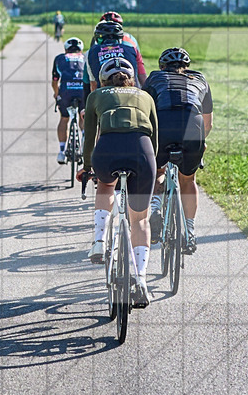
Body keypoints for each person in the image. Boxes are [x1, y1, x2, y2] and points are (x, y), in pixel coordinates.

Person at [76, 57, 158, 308]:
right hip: (142, 152)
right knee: (140, 219)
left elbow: (90, 136)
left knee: (106, 185)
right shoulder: (145, 96)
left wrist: (88, 167)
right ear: (132, 79)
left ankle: (99, 242)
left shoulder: (96, 96)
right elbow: (155, 137)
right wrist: (155, 169)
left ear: (102, 80)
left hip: (108, 150)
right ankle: (141, 280)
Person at [142, 47, 213, 254]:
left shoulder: (155, 78)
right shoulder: (200, 79)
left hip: (163, 124)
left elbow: (146, 113)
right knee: (188, 179)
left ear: (162, 66)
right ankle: (190, 233)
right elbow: (208, 124)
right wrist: (199, 144)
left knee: (157, 171)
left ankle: (155, 207)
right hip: (193, 126)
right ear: (187, 66)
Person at [84, 20, 146, 92]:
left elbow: (93, 84)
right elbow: (142, 77)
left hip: (105, 95)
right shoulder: (133, 49)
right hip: (132, 93)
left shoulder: (90, 52)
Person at [51, 37, 86, 163]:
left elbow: (55, 81)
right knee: (83, 117)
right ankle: (84, 142)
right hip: (83, 91)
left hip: (66, 91)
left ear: (66, 49)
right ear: (81, 49)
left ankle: (61, 152)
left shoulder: (60, 58)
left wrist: (56, 94)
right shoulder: (85, 57)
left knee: (64, 118)